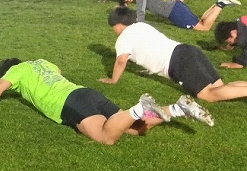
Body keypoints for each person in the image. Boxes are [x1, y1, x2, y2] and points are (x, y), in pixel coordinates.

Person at [0, 58, 213, 141]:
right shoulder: (41, 62)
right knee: (136, 129)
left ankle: (139, 109)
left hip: (68, 103)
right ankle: (178, 108)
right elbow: (58, 71)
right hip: (86, 93)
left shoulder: (16, 70)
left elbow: (1, 85)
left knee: (106, 137)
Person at [102, 7, 247, 103]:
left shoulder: (123, 38)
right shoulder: (142, 25)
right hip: (188, 50)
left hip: (178, 61)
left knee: (208, 95)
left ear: (118, 25)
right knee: (219, 87)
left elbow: (121, 60)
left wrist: (113, 80)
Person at [117, 0, 240, 31]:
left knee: (204, 27)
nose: (129, 3)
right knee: (200, 21)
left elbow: (141, 13)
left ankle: (221, 4)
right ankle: (218, 2)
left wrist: (135, 26)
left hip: (175, 13)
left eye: (126, 1)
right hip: (176, 6)